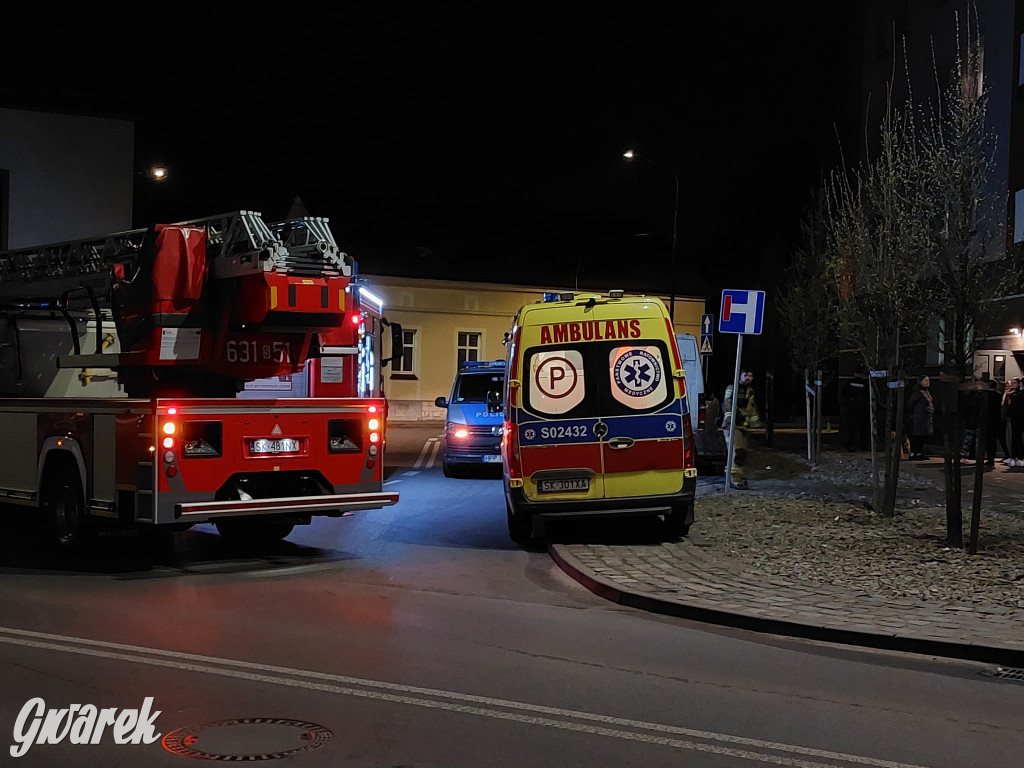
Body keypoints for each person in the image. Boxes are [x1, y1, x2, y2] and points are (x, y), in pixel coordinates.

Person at [722, 369, 761, 489]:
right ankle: (733, 478)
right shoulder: (732, 388)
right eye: (746, 375)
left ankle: (737, 476)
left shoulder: (750, 391)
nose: (748, 377)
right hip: (732, 426)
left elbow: (752, 407)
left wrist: (755, 423)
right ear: (740, 376)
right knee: (736, 452)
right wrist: (729, 420)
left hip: (743, 426)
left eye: (751, 375)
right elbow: (727, 403)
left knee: (742, 453)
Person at [906, 374, 934, 460]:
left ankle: (919, 453)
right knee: (917, 436)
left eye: (928, 380)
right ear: (920, 381)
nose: (927, 382)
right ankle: (913, 453)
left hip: (925, 418)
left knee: (922, 436)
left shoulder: (926, 392)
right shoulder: (918, 392)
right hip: (919, 418)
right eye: (925, 380)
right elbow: (910, 404)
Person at [843, 370, 870, 451]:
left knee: (852, 428)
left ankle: (852, 445)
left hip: (852, 406)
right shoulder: (866, 383)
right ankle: (863, 445)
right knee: (863, 428)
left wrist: (850, 399)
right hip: (863, 407)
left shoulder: (850, 382)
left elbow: (843, 392)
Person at [1001, 378, 1020, 465]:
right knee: (1008, 437)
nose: (1012, 384)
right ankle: (1011, 455)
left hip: (1014, 417)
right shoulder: (1009, 393)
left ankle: (1014, 455)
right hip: (1008, 417)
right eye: (1011, 383)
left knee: (1013, 436)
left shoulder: (1016, 394)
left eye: (1014, 383)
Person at [1007, 377, 1024, 467]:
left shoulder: (1018, 394)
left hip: (1017, 418)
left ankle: (1017, 456)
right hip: (1015, 418)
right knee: (1016, 437)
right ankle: (1016, 456)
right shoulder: (1015, 393)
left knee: (1016, 437)